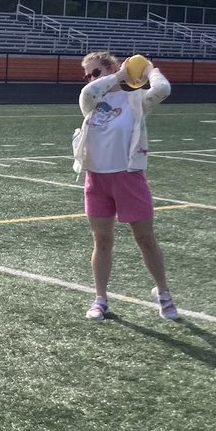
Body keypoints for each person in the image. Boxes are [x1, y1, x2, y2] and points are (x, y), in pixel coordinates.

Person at [74, 51, 177, 322]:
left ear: (113, 68)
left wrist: (148, 70)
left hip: (128, 178)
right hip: (96, 179)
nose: (91, 78)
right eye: (88, 74)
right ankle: (100, 299)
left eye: (96, 71)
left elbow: (163, 88)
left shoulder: (136, 101)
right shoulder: (92, 101)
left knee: (145, 239)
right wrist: (115, 76)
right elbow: (87, 91)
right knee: (102, 240)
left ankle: (163, 292)